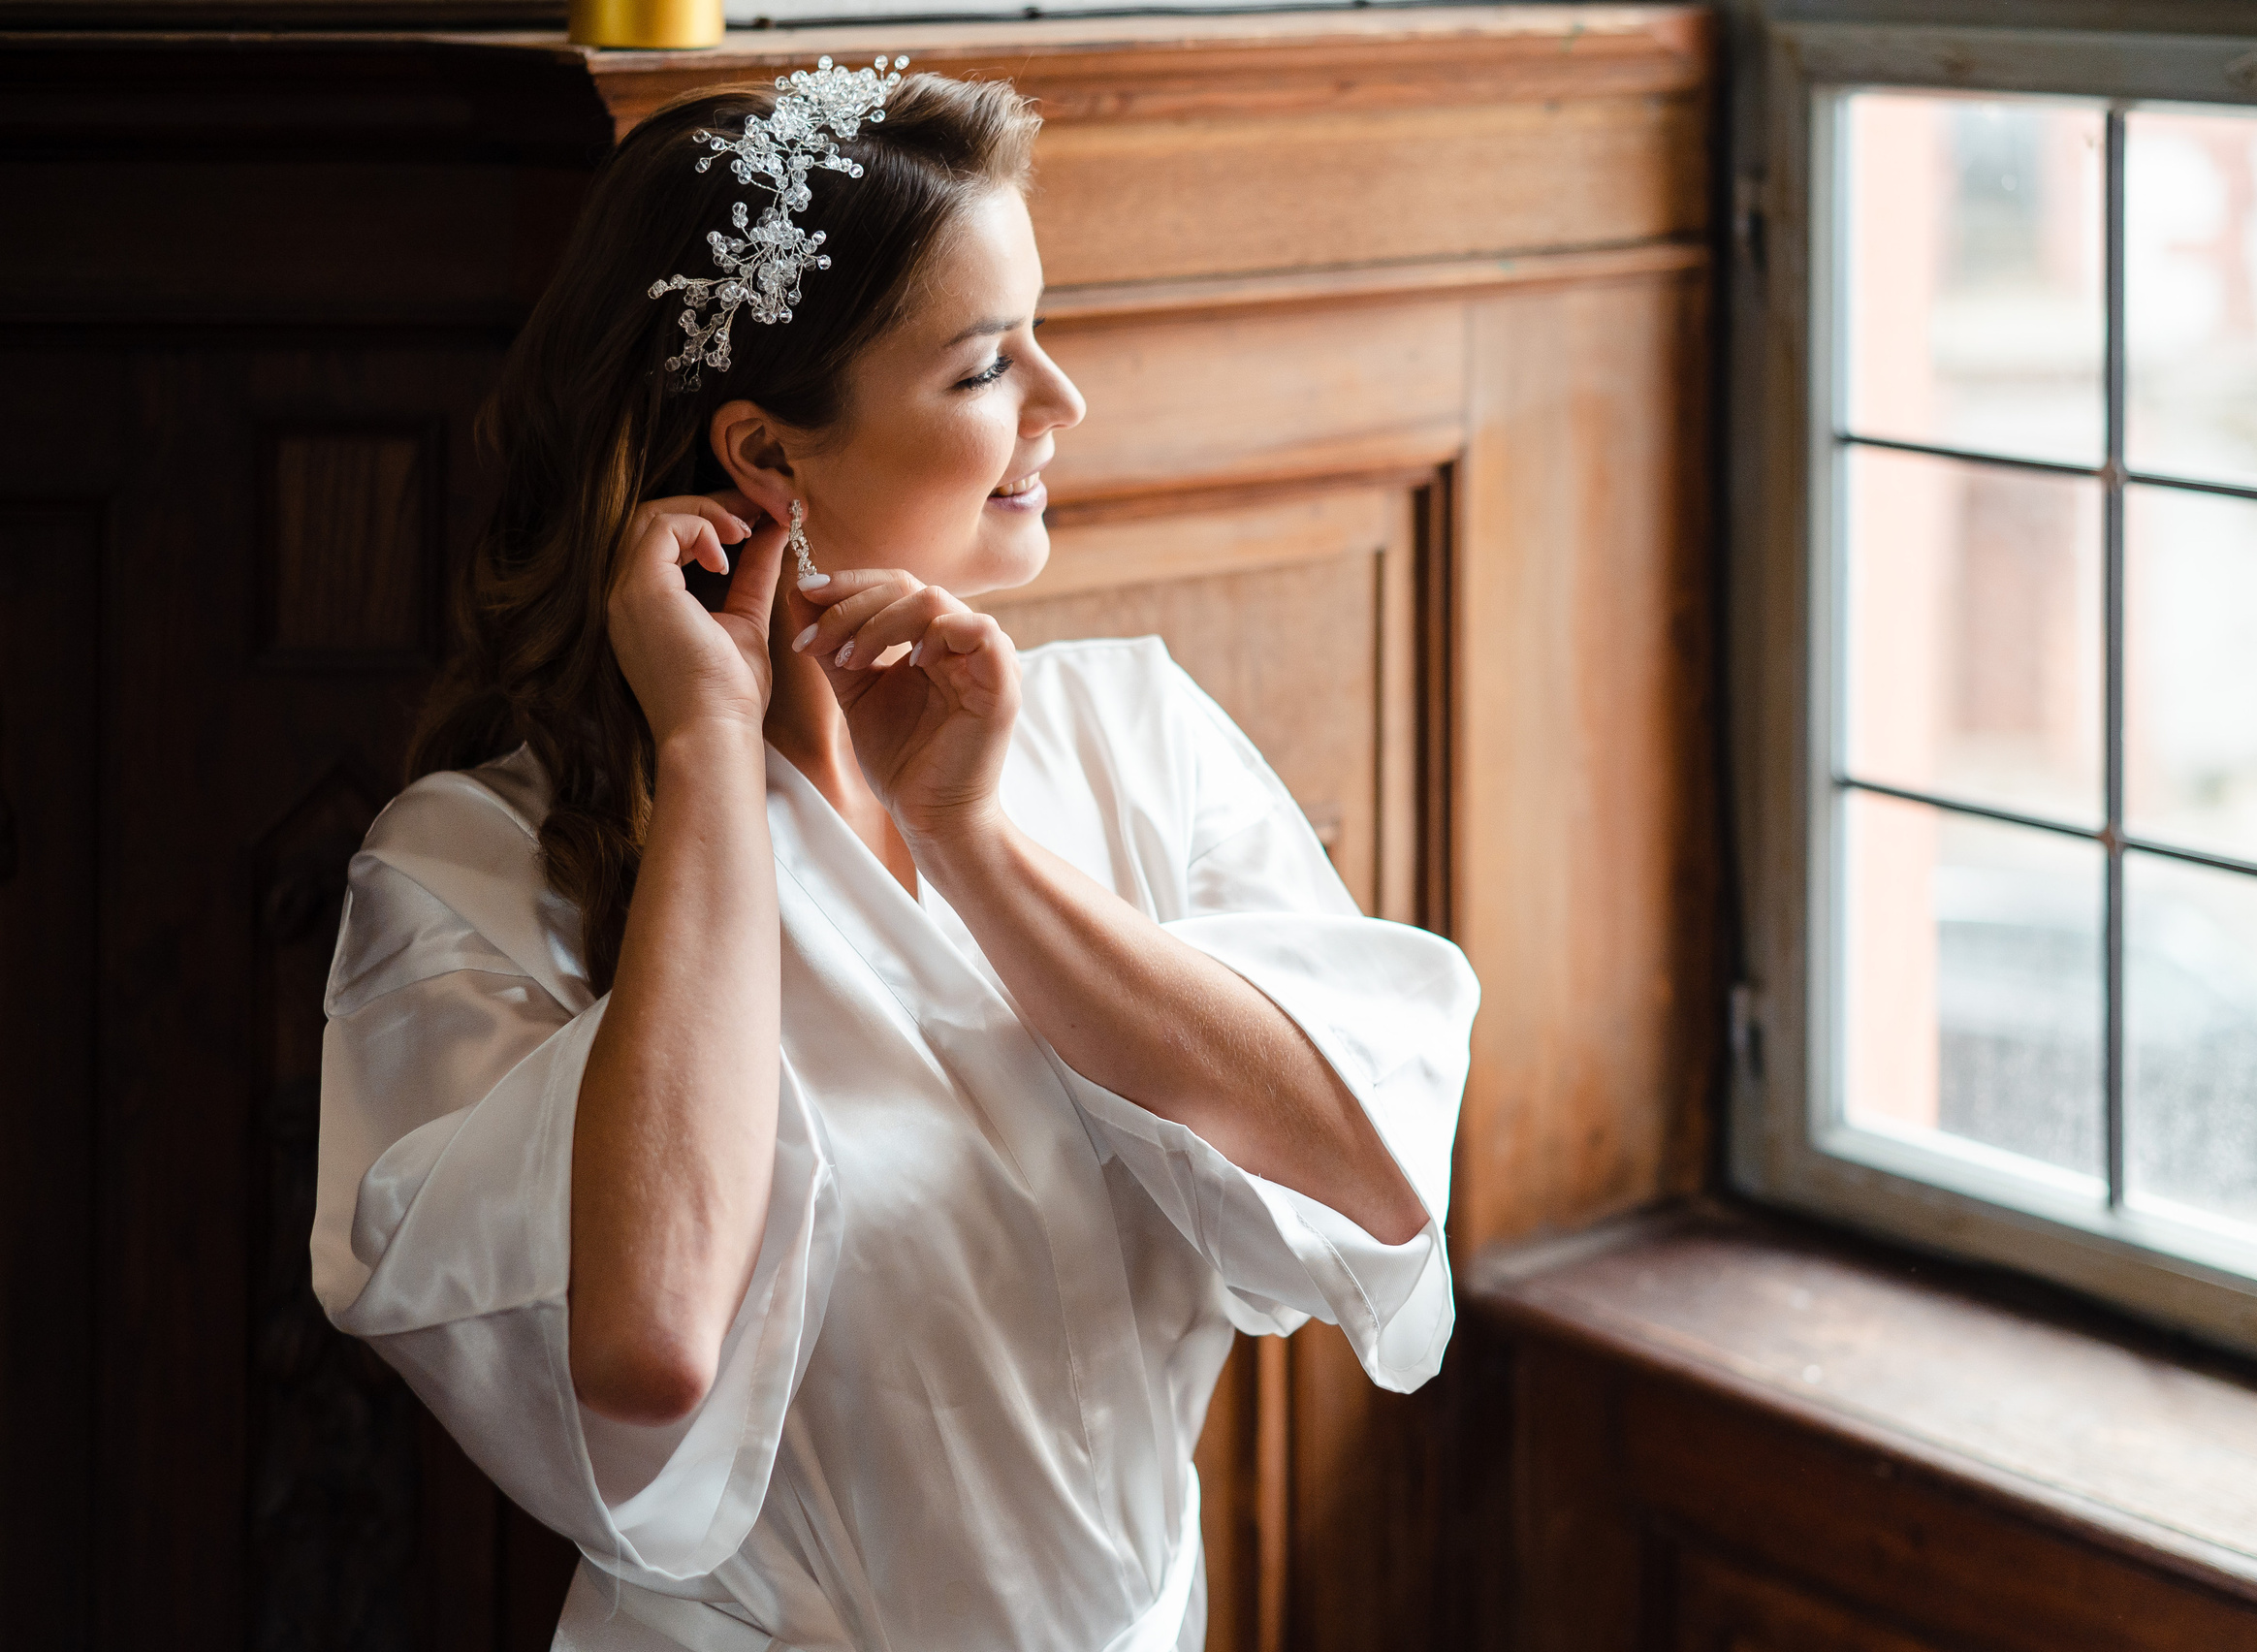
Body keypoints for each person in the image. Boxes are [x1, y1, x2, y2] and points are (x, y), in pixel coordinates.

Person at [313, 57, 1477, 1652]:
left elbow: (1375, 1183)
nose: (1063, 405)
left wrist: (975, 840)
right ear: (769, 458)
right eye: (990, 366)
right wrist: (712, 757)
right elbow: (649, 1354)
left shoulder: (1133, 734)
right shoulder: (473, 870)